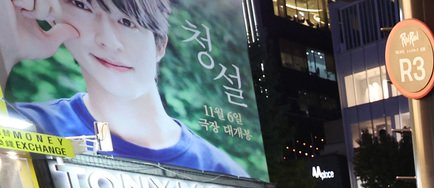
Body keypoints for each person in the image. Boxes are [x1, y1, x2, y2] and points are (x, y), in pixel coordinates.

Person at [0, 0, 249, 176]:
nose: (107, 39)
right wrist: (5, 55)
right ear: (53, 17)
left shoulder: (220, 170)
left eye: (128, 22)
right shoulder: (29, 124)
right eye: (84, 6)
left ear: (160, 44)